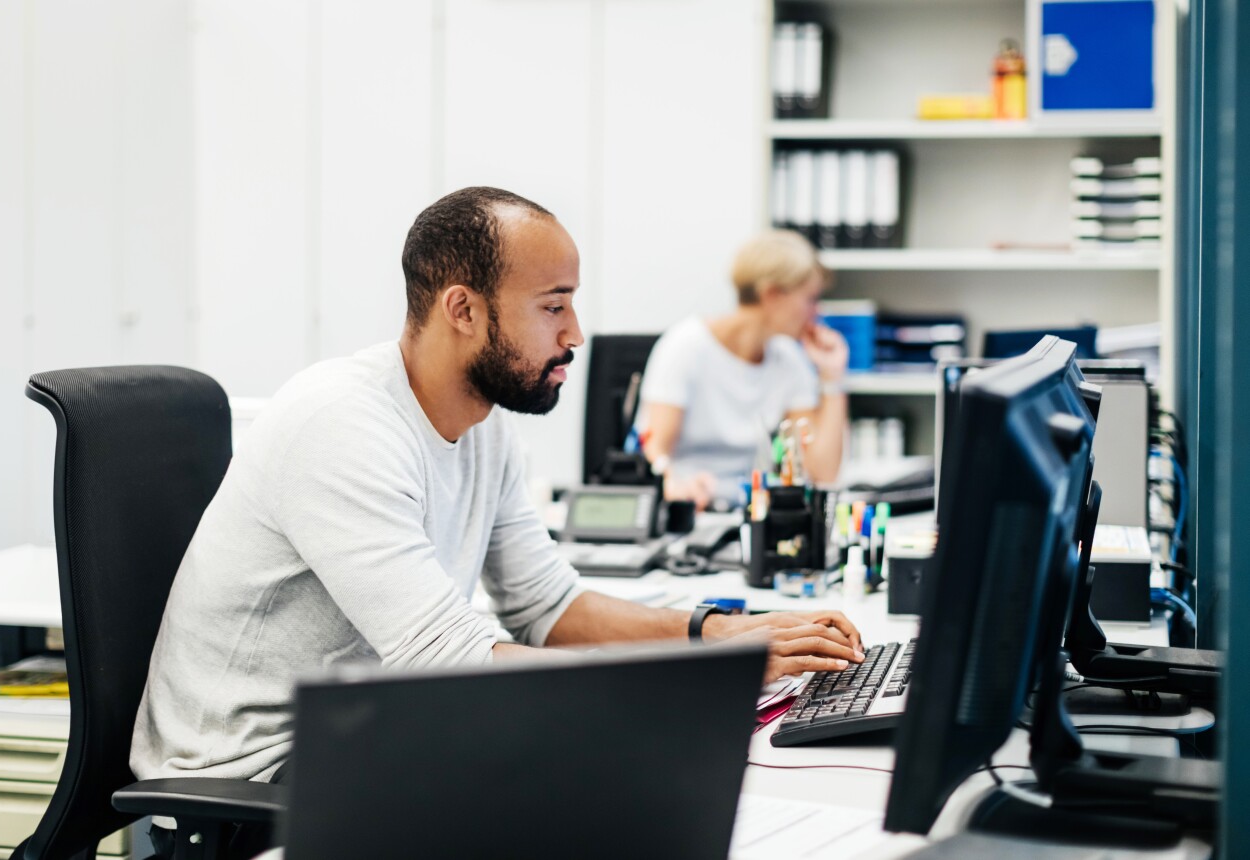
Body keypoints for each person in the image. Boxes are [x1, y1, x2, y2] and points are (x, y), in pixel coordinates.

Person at [131, 188, 864, 858]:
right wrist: (696, 683)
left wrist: (715, 632)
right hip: (254, 785)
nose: (575, 333)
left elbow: (545, 604)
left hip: (366, 733)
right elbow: (444, 657)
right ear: (464, 310)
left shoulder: (483, 424)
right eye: (554, 306)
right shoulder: (341, 426)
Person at [638, 229, 849, 510]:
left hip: (746, 511)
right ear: (772, 295)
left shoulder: (789, 359)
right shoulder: (685, 347)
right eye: (809, 299)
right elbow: (655, 453)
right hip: (686, 507)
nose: (816, 312)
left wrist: (832, 378)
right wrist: (674, 485)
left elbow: (821, 473)